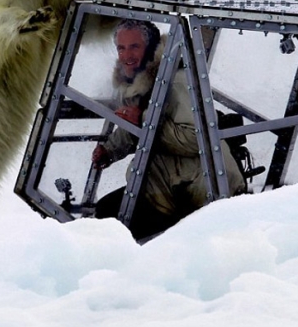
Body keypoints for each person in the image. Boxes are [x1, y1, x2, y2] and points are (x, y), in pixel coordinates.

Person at [92, 19, 246, 239]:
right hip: (167, 183)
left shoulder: (177, 81)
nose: (127, 55)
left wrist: (144, 121)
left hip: (201, 189)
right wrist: (110, 150)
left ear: (152, 48)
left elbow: (195, 139)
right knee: (107, 212)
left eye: (135, 46)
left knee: (114, 222)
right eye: (121, 48)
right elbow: (139, 125)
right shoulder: (142, 81)